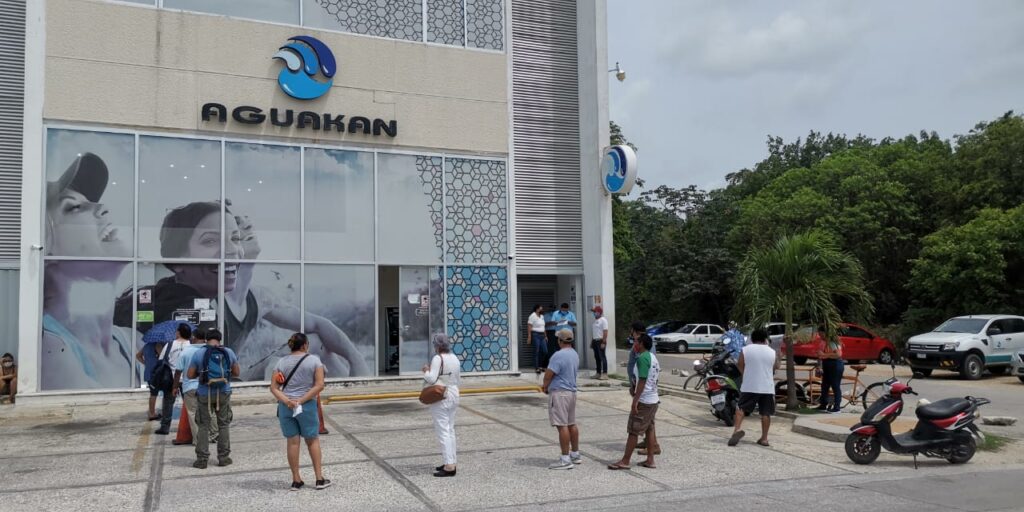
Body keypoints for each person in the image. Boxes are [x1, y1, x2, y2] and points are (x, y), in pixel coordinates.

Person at [115, 201, 370, 381]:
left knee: (315, 342)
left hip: (226, 377)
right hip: (209, 386)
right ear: (178, 261)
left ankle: (351, 386)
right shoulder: (194, 304)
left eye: (234, 237)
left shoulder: (256, 297)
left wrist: (357, 361)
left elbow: (319, 324)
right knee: (292, 356)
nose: (232, 247)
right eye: (211, 240)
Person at [42, 152, 134, 390]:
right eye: (74, 207)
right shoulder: (50, 349)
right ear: (46, 244)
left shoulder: (129, 340)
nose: (102, 208)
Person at [270, 333, 331, 491]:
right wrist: (301, 400)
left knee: (292, 442)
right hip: (306, 406)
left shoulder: (281, 362)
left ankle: (296, 480)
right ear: (304, 345)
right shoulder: (314, 360)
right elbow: (319, 385)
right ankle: (319, 479)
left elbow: (274, 388)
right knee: (312, 441)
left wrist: (287, 401)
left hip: (286, 407)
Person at [187, 329, 240, 469]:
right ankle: (224, 458)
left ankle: (202, 460)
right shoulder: (228, 352)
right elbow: (236, 373)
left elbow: (190, 375)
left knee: (203, 425)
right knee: (223, 424)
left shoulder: (199, 353)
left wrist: (202, 374)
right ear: (220, 339)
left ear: (206, 339)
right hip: (223, 392)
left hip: (204, 393)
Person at [608, 333, 659, 470]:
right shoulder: (653, 357)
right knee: (649, 429)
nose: (634, 344)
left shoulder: (642, 358)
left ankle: (625, 461)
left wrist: (635, 400)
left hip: (644, 401)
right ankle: (650, 460)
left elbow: (642, 380)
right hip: (653, 399)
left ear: (641, 344)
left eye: (636, 341)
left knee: (633, 431)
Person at [728, 329, 780, 447]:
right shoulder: (772, 352)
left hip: (749, 385)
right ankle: (764, 439)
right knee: (765, 413)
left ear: (752, 338)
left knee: (741, 408)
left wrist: (746, 375)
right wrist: (780, 356)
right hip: (767, 387)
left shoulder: (746, 349)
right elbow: (775, 367)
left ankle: (736, 430)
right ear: (765, 339)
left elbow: (740, 364)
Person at [422, 334, 460, 477]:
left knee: (443, 430)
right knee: (450, 429)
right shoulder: (454, 358)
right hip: (454, 393)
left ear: (437, 346)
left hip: (441, 395)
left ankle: (449, 466)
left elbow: (431, 379)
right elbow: (457, 379)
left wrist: (426, 370)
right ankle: (451, 461)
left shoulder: (438, 358)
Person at [542, 329, 581, 470]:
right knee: (571, 424)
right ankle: (575, 454)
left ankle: (565, 459)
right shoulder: (574, 354)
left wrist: (545, 386)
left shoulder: (558, 355)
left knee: (561, 425)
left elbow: (549, 374)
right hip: (571, 392)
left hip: (560, 393)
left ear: (560, 340)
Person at [155, 323, 193, 435]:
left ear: (178, 332)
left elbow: (161, 359)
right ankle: (192, 427)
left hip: (171, 379)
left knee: (168, 403)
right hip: (188, 379)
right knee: (190, 404)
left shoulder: (170, 344)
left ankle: (165, 427)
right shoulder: (191, 345)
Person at [173, 328, 209, 446]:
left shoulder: (186, 351)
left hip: (190, 387)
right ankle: (209, 436)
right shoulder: (208, 350)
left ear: (194, 337)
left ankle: (198, 439)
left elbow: (178, 371)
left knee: (192, 413)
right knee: (205, 412)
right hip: (206, 386)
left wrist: (175, 387)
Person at [816, 326, 844, 413]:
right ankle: (823, 404)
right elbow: (819, 354)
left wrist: (825, 355)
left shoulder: (832, 342)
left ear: (825, 333)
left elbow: (838, 354)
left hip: (835, 364)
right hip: (827, 364)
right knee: (825, 385)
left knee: (835, 385)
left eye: (821, 334)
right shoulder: (823, 342)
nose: (820, 336)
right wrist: (819, 366)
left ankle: (837, 407)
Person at [137, 342, 165, 421]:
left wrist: (146, 363)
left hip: (148, 373)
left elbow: (138, 356)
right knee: (164, 393)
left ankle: (152, 413)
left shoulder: (146, 346)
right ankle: (156, 413)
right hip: (156, 373)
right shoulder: (157, 345)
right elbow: (163, 357)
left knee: (153, 393)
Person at [526, 305, 547, 373]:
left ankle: (541, 366)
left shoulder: (542, 316)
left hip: (542, 335)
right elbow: (529, 326)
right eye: (541, 309)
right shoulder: (532, 316)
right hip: (535, 335)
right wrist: (529, 337)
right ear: (537, 309)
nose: (542, 310)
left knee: (545, 351)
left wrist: (545, 336)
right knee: (536, 351)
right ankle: (537, 367)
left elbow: (543, 326)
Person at [590, 306, 609, 380]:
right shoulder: (595, 321)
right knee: (597, 357)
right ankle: (598, 373)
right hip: (595, 341)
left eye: (595, 312)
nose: (594, 313)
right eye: (593, 312)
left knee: (602, 357)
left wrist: (603, 342)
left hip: (601, 340)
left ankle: (605, 374)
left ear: (599, 312)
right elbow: (595, 332)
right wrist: (592, 342)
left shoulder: (603, 320)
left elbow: (605, 331)